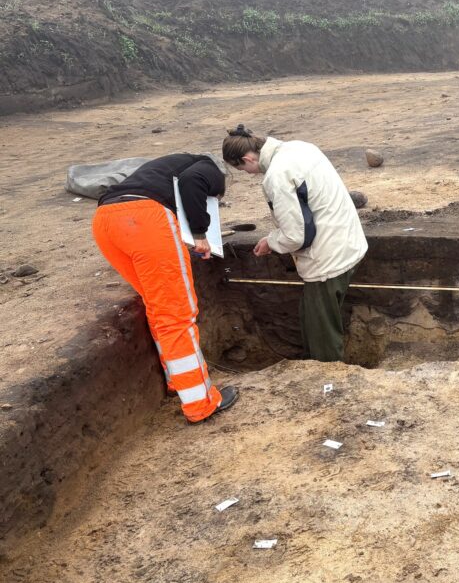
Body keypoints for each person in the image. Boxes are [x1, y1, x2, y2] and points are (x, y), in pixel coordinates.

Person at [92, 154, 239, 423]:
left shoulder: (162, 171)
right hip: (143, 220)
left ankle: (177, 382)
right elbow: (193, 182)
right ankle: (200, 404)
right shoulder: (208, 169)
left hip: (106, 220)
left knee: (158, 305)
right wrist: (200, 235)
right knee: (177, 316)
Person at [222, 125, 367, 362]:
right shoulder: (300, 147)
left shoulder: (277, 176)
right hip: (348, 242)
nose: (248, 174)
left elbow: (295, 235)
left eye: (242, 168)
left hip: (327, 258)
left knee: (322, 331)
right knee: (312, 315)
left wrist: (271, 241)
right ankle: (314, 365)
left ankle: (327, 378)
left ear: (248, 158)